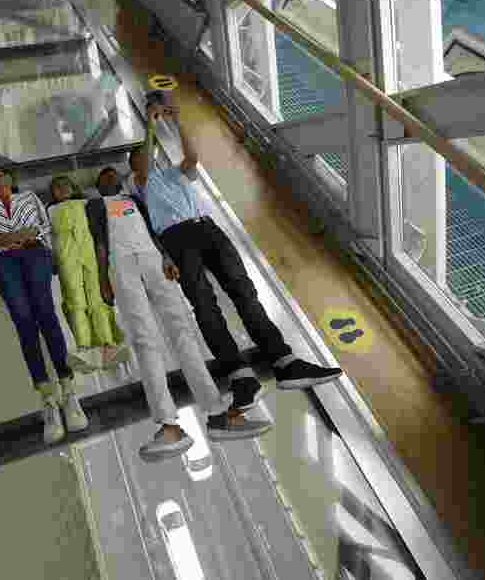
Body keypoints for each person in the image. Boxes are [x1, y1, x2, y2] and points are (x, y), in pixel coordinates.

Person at [128, 91, 344, 414]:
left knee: (245, 292)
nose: (149, 156)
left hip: (208, 229)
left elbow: (192, 157)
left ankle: (285, 361)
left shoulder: (175, 173)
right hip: (176, 237)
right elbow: (144, 164)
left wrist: (177, 118)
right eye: (143, 155)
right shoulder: (138, 182)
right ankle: (241, 376)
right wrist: (150, 123)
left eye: (150, 152)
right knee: (204, 303)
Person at [88, 167, 272, 463]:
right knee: (145, 339)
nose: (110, 177)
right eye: (105, 176)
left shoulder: (134, 200)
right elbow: (99, 242)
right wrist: (102, 278)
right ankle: (169, 426)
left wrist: (166, 257)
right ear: (99, 186)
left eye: (113, 174)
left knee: (182, 331)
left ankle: (215, 414)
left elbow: (153, 231)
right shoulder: (95, 205)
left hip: (152, 259)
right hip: (120, 264)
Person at [0, 168, 88, 444]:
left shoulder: (30, 197)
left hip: (34, 253)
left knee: (46, 313)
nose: (0, 179)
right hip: (3, 261)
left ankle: (69, 392)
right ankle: (48, 399)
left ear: (12, 180)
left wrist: (31, 232)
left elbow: (46, 225)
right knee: (24, 321)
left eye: (4, 175)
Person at [47, 175, 129, 371]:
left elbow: (102, 227)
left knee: (97, 298)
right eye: (57, 188)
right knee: (75, 301)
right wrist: (52, 261)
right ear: (53, 193)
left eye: (65, 185)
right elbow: (48, 236)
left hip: (90, 254)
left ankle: (108, 344)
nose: (62, 189)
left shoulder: (88, 203)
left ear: (73, 187)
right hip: (66, 258)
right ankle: (84, 348)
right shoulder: (49, 210)